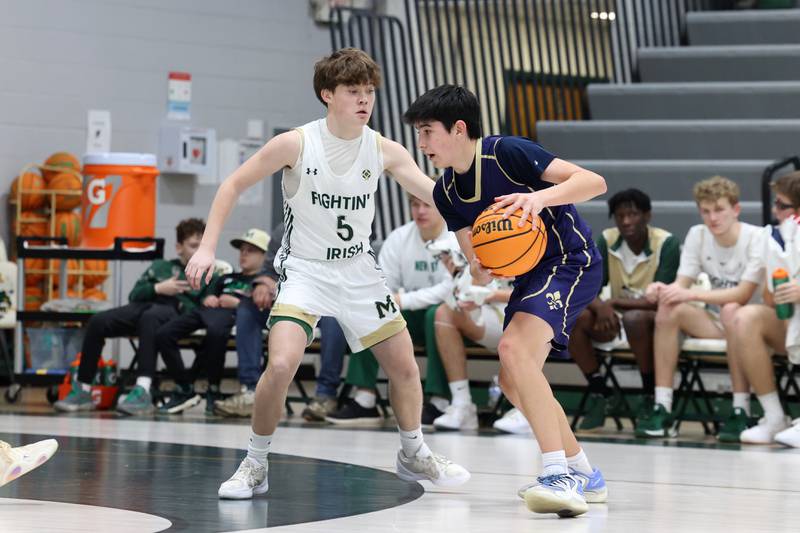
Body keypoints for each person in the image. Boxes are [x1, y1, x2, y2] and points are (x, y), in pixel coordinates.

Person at [185, 48, 470, 500]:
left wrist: (480, 223)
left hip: (358, 271)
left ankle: (414, 452)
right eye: (353, 91)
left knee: (404, 367)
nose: (365, 99)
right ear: (327, 94)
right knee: (281, 364)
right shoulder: (296, 144)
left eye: (369, 91)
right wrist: (205, 247)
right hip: (306, 271)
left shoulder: (383, 149)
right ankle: (255, 463)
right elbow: (232, 184)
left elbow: (439, 196)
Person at [405, 84, 607, 516]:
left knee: (513, 349)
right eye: (418, 134)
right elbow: (476, 262)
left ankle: (557, 473)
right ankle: (585, 473)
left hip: (571, 260)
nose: (421, 143)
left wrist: (538, 198)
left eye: (427, 131)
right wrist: (480, 269)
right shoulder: (446, 193)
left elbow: (593, 182)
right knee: (513, 381)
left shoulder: (507, 153)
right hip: (530, 275)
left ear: (459, 129)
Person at [635, 176, 762, 440]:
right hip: (718, 323)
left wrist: (689, 293)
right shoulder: (698, 234)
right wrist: (661, 289)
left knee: (732, 309)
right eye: (706, 211)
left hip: (755, 327)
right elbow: (682, 283)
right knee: (669, 307)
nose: (712, 218)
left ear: (736, 210)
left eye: (719, 210)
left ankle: (741, 409)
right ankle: (662, 406)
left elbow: (743, 294)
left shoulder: (756, 238)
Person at [54, 218, 212, 416]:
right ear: (179, 247)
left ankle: (143, 390)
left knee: (150, 318)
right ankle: (83, 389)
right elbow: (134, 295)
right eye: (193, 246)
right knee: (97, 321)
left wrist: (178, 296)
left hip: (173, 311)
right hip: (143, 306)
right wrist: (158, 288)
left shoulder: (207, 274)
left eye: (201, 247)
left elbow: (203, 307)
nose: (198, 251)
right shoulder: (161, 266)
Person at [325, 193, 454, 426]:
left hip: (446, 317)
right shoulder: (399, 237)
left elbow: (450, 288)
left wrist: (403, 300)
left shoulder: (455, 237)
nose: (420, 211)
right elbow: (383, 283)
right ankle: (365, 400)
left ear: (442, 208)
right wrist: (393, 301)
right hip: (409, 316)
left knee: (436, 314)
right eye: (415, 204)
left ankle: (439, 402)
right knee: (373, 312)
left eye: (427, 205)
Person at [569, 189, 679, 431]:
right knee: (576, 318)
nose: (626, 221)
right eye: (620, 216)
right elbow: (585, 285)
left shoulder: (666, 243)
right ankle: (601, 392)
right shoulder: (607, 240)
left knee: (635, 319)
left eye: (633, 214)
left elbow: (661, 300)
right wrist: (600, 307)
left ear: (647, 216)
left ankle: (649, 394)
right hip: (617, 317)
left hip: (656, 320)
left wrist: (612, 303)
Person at [156, 228, 269, 414]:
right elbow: (208, 293)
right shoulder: (226, 277)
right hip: (207, 311)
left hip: (233, 316)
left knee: (216, 333)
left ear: (265, 256)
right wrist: (209, 298)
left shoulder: (263, 284)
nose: (243, 254)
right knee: (163, 333)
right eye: (242, 250)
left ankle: (213, 388)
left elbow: (262, 310)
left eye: (251, 250)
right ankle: (184, 385)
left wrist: (238, 303)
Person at [732, 172, 800, 446]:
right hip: (789, 322)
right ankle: (774, 417)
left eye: (782, 205)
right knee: (745, 318)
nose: (774, 210)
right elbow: (755, 294)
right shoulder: (770, 237)